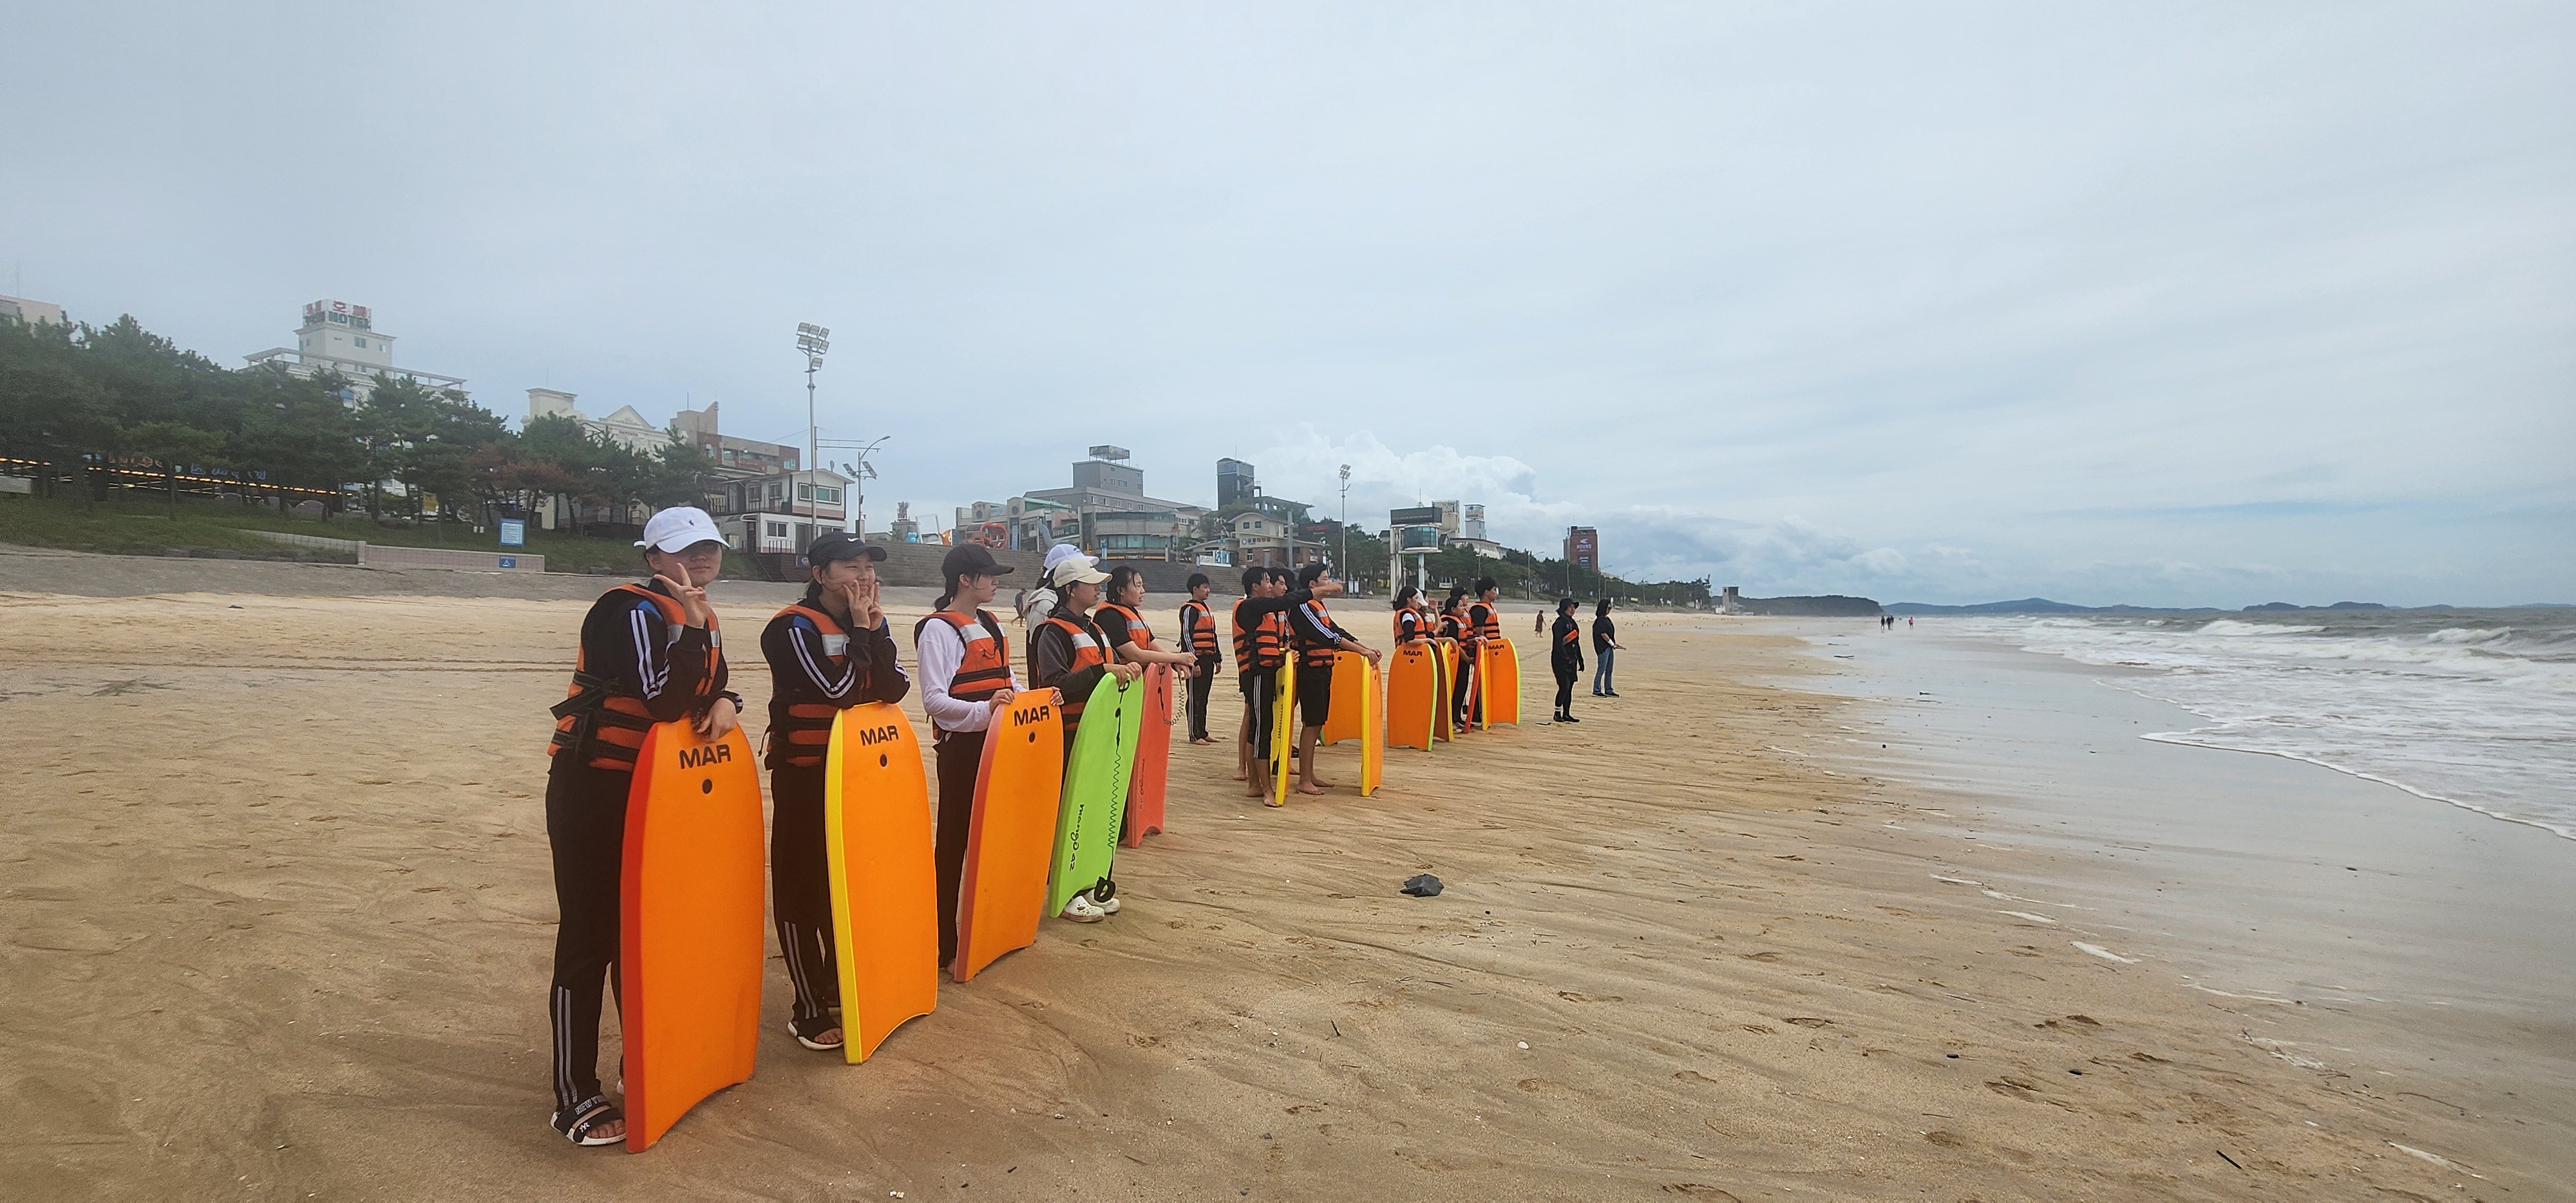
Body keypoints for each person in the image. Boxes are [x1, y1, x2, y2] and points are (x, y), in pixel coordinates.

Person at [540, 506, 741, 1146]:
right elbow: (659, 697)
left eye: (708, 547)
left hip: (658, 791)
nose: (701, 558)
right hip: (594, 786)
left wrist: (729, 702)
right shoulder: (626, 610)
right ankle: (573, 1093)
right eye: (685, 549)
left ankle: (642, 1058)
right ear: (653, 558)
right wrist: (689, 636)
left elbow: (711, 683)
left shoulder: (699, 614)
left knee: (645, 931)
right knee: (588, 936)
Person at [759, 532, 908, 1053]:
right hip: (806, 775)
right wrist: (865, 633)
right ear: (820, 575)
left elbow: (893, 690)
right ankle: (808, 1006)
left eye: (868, 567)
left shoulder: (870, 620)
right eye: (851, 567)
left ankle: (835, 978)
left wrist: (872, 631)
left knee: (849, 879)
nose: (863, 577)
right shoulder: (791, 628)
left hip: (860, 774)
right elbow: (843, 692)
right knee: (802, 887)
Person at [913, 544, 1028, 971]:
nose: (996, 581)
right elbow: (934, 701)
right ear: (965, 580)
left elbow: (1008, 681)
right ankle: (944, 941)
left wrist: (1029, 702)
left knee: (995, 837)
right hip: (962, 750)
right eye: (988, 575)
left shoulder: (992, 624)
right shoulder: (938, 630)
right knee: (954, 843)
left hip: (998, 747)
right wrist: (984, 712)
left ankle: (988, 926)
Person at [1026, 551, 1142, 920]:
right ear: (1071, 589)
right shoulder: (1052, 632)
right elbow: (1055, 683)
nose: (1098, 589)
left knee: (1099, 811)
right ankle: (1067, 888)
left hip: (1104, 733)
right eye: (1091, 583)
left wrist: (1123, 669)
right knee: (1071, 811)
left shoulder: (1096, 628)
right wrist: (1104, 671)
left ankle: (1094, 880)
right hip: (1071, 734)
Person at [1283, 563, 1382, 795]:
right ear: (1312, 585)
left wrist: (1365, 648)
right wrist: (1360, 651)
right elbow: (1327, 636)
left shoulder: (1318, 606)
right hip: (1310, 669)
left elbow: (1338, 631)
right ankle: (1304, 779)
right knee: (1312, 723)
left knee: (1317, 723)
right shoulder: (1304, 605)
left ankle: (1310, 774)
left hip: (1322, 668)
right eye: (1325, 578)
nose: (1330, 582)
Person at [1229, 565, 1313, 804]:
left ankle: (1255, 784)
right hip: (1255, 675)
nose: (1271, 585)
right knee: (1261, 728)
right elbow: (1282, 602)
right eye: (1267, 581)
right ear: (1255, 586)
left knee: (1259, 726)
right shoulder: (1249, 607)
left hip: (1266, 673)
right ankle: (1266, 788)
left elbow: (1270, 644)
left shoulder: (1266, 612)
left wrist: (1284, 657)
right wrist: (1318, 591)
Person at [1175, 573, 1222, 744]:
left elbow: (1213, 635)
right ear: (1195, 589)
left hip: (1208, 659)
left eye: (1208, 587)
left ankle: (1202, 731)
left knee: (1204, 697)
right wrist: (1192, 661)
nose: (1208, 590)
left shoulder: (1207, 609)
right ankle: (1194, 734)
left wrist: (1218, 658)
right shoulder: (1190, 609)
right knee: (1195, 697)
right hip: (1196, 660)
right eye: (1205, 587)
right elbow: (1186, 635)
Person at [1466, 578, 1504, 728]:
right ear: (1487, 592)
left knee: (1486, 682)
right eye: (1494, 590)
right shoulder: (1480, 609)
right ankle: (1476, 713)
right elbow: (1479, 632)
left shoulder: (1489, 607)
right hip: (1484, 651)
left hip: (1493, 651)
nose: (1496, 592)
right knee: (1480, 682)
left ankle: (1480, 712)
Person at [1439, 587, 1477, 732]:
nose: (1463, 609)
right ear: (1453, 609)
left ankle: (1457, 717)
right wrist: (1467, 659)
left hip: (1462, 660)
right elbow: (1454, 643)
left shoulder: (1458, 620)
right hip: (1456, 661)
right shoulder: (1450, 622)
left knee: (1462, 689)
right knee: (1456, 689)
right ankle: (1451, 719)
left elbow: (1463, 641)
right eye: (1460, 606)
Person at [1549, 596, 1585, 723]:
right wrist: (1566, 658)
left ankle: (1567, 714)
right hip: (1560, 659)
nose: (1573, 609)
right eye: (1570, 607)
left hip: (1572, 658)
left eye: (1574, 607)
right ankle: (1557, 712)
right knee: (1564, 686)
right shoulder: (1559, 624)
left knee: (1570, 687)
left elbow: (1577, 642)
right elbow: (1558, 644)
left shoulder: (1573, 623)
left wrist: (1580, 659)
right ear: (1564, 608)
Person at [1590, 596, 1624, 697]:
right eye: (1608, 608)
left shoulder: (1607, 620)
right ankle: (1597, 690)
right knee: (1602, 669)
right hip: (1602, 648)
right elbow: (1603, 634)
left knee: (1609, 669)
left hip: (1609, 647)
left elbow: (1610, 634)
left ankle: (1609, 689)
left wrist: (1614, 643)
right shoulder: (1600, 621)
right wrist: (1611, 643)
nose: (1609, 610)